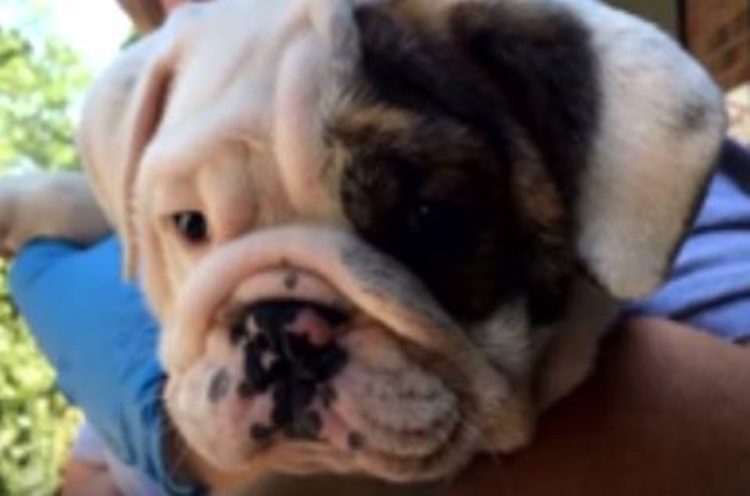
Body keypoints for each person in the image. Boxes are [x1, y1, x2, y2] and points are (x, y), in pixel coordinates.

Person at [9, 1, 750, 494]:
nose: (287, 338)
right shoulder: (159, 137)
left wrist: (190, 457)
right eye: (195, 226)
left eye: (424, 217)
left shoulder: (630, 180)